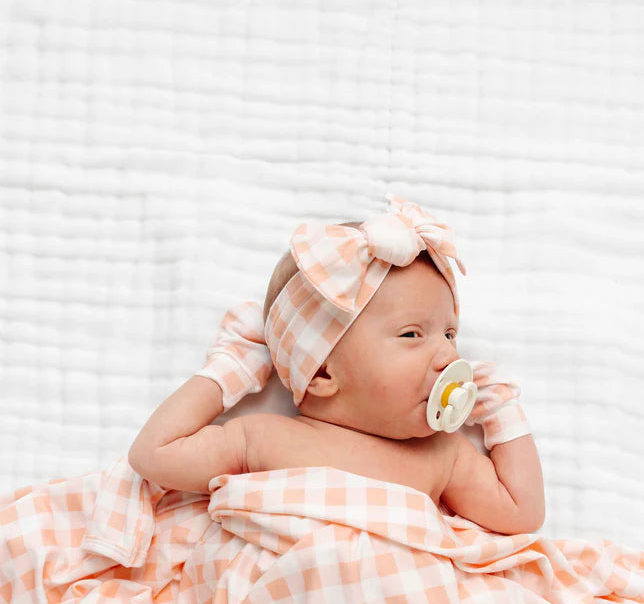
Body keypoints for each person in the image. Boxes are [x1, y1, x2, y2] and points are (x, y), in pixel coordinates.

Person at [128, 194, 545, 535]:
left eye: (450, 335)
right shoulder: (261, 439)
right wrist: (231, 369)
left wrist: (500, 409)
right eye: (412, 335)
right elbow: (153, 454)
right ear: (324, 373)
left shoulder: (441, 456)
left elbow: (522, 513)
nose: (450, 357)